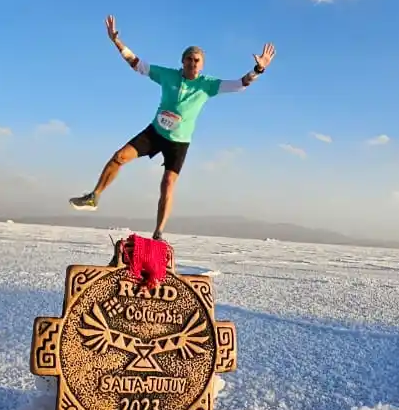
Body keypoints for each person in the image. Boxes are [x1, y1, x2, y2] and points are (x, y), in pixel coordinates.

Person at [68, 15, 276, 241]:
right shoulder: (167, 75)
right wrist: (116, 42)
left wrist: (258, 69)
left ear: (202, 64)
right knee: (119, 157)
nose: (193, 63)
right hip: (155, 132)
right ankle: (94, 196)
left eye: (197, 60)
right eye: (189, 59)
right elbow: (136, 63)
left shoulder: (208, 85)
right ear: (182, 61)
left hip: (179, 142)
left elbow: (240, 84)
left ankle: (158, 233)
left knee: (168, 184)